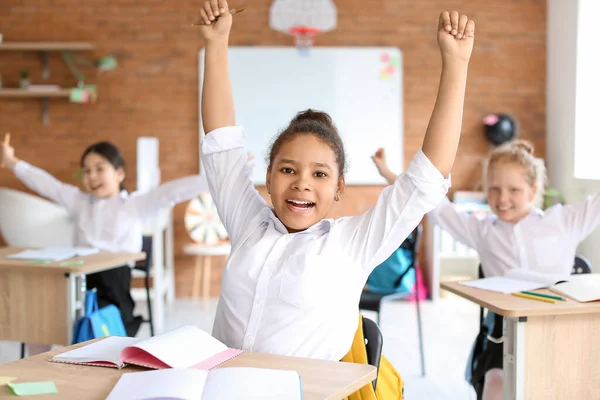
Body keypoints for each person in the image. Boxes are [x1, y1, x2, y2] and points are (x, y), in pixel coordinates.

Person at [198, 0, 474, 361]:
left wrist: (456, 64)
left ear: (340, 187)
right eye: (287, 170)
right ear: (267, 177)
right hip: (224, 387)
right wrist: (216, 44)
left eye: (320, 174)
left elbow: (425, 179)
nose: (302, 183)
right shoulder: (249, 223)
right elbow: (222, 143)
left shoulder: (352, 244)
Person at [373, 139, 600, 399]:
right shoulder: (482, 231)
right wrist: (388, 173)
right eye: (494, 189)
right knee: (495, 386)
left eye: (514, 190)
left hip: (562, 334)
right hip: (505, 336)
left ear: (533, 189)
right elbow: (434, 205)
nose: (502, 199)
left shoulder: (563, 221)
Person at [2, 140, 205, 341]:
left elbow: (170, 192)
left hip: (113, 289)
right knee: (40, 313)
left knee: (92, 320)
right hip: (78, 279)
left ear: (120, 173)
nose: (92, 177)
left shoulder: (134, 205)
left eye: (100, 169)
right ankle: (39, 369)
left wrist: (211, 180)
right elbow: (46, 184)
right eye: (86, 171)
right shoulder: (79, 202)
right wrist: (11, 161)